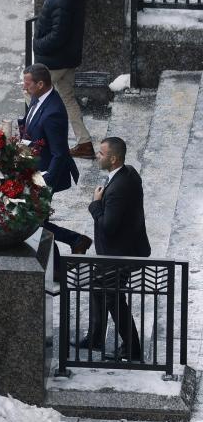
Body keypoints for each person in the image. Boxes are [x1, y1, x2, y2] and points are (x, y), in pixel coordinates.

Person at [80, 137, 149, 360]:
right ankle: (96, 337)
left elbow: (108, 226)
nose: (97, 156)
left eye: (101, 154)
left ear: (113, 158)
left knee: (113, 299)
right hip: (122, 250)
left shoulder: (117, 188)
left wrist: (95, 204)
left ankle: (132, 348)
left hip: (118, 255)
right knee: (99, 289)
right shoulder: (129, 173)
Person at [19, 64, 91, 268]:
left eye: (27, 83)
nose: (24, 87)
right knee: (36, 222)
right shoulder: (38, 97)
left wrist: (44, 182)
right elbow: (31, 121)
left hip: (45, 176)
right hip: (33, 169)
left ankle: (60, 265)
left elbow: (59, 154)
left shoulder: (53, 112)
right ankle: (76, 241)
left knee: (35, 224)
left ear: (40, 84)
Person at [34, 0, 94, 159]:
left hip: (56, 60)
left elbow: (58, 34)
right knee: (67, 98)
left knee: (32, 93)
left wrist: (39, 44)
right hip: (68, 58)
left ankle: (35, 142)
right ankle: (84, 142)